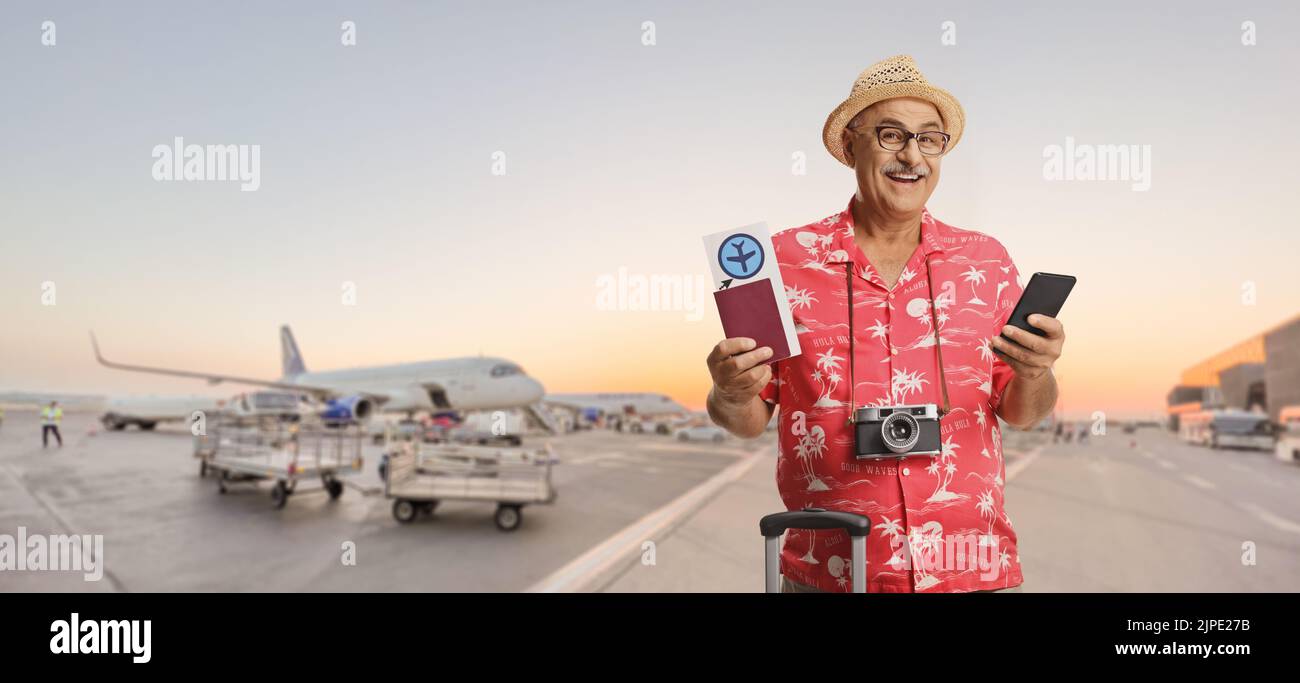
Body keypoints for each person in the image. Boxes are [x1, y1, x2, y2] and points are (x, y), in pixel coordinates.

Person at [705, 55, 1065, 593]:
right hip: (832, 574)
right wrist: (730, 392)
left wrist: (1037, 374)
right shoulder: (776, 260)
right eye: (891, 135)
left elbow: (1022, 412)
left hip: (970, 572)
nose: (912, 156)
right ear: (850, 147)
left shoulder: (987, 261)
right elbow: (748, 418)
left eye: (930, 138)